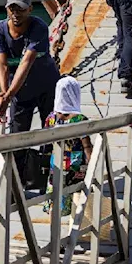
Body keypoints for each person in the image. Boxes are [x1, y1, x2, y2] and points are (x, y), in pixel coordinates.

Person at [0, 0, 61, 144]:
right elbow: (2, 64)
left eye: (21, 9)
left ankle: (48, 162)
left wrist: (8, 96)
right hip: (19, 91)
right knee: (18, 135)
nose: (16, 13)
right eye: (12, 8)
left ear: (30, 9)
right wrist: (4, 93)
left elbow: (26, 62)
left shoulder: (39, 27)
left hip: (45, 86)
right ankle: (20, 164)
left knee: (50, 130)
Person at [42, 76, 93, 215]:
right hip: (76, 164)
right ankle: (75, 218)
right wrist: (91, 161)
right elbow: (86, 145)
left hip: (56, 163)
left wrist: (45, 159)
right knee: (77, 191)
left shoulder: (51, 118)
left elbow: (46, 141)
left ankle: (54, 214)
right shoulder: (80, 119)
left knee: (55, 188)